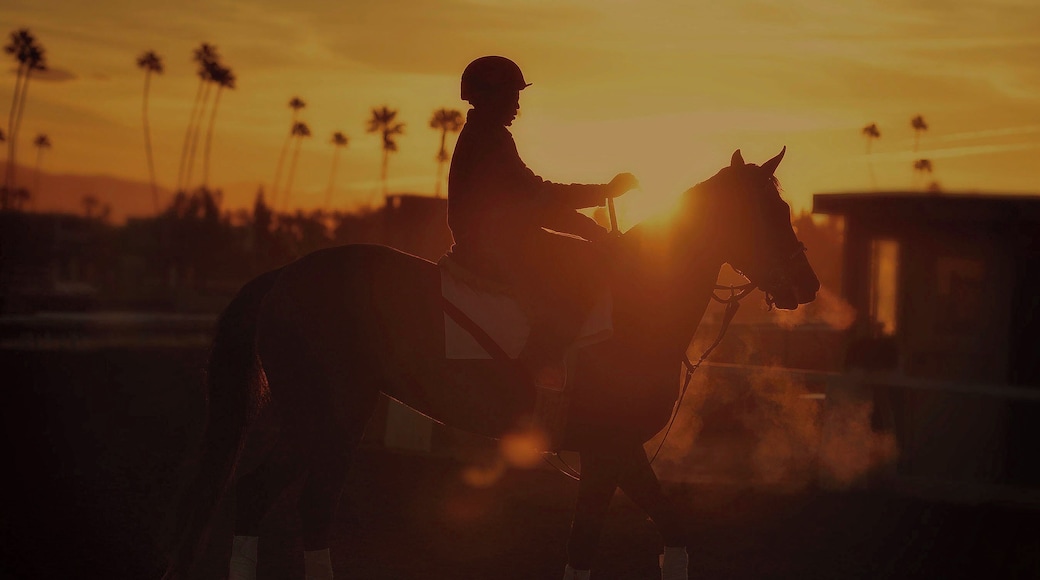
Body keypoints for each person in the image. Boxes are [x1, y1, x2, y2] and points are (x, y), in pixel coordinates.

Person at [447, 55, 638, 393]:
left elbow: (534, 201)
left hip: (502, 237)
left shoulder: (489, 135)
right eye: (512, 96)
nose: (518, 105)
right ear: (490, 97)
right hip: (495, 245)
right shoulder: (490, 140)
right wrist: (602, 197)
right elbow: (537, 196)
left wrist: (589, 229)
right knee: (580, 277)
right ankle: (533, 376)